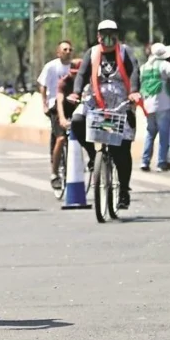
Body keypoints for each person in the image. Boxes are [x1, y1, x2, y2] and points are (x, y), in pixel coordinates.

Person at [69, 20, 141, 210]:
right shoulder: (92, 53)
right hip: (96, 99)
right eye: (104, 33)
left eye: (112, 33)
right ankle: (94, 156)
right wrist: (76, 92)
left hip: (120, 102)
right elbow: (82, 74)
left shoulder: (125, 52)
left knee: (122, 151)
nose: (108, 37)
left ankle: (124, 190)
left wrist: (134, 91)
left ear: (117, 35)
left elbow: (134, 71)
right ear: (98, 35)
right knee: (77, 120)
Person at [139, 42, 170, 172]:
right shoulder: (164, 65)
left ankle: (145, 161)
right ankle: (161, 162)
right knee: (164, 134)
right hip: (163, 104)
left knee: (150, 133)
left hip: (148, 105)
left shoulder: (144, 67)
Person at [38, 40, 74, 190]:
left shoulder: (75, 68)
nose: (68, 52)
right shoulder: (51, 66)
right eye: (64, 49)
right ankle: (54, 174)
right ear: (58, 52)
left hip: (72, 105)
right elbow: (43, 85)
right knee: (60, 138)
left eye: (70, 49)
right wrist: (45, 103)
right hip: (55, 106)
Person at [56, 57, 87, 175]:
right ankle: (54, 172)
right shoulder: (64, 82)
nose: (75, 78)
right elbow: (59, 101)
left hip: (79, 110)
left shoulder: (88, 82)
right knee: (61, 139)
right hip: (64, 110)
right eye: (73, 74)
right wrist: (62, 119)